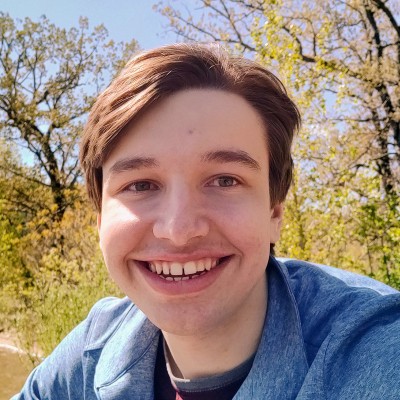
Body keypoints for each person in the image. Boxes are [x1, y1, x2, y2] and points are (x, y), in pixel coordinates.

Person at [13, 43, 400, 399]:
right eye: (140, 185)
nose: (179, 230)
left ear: (274, 213)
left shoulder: (379, 351)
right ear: (100, 222)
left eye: (225, 180)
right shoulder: (92, 348)